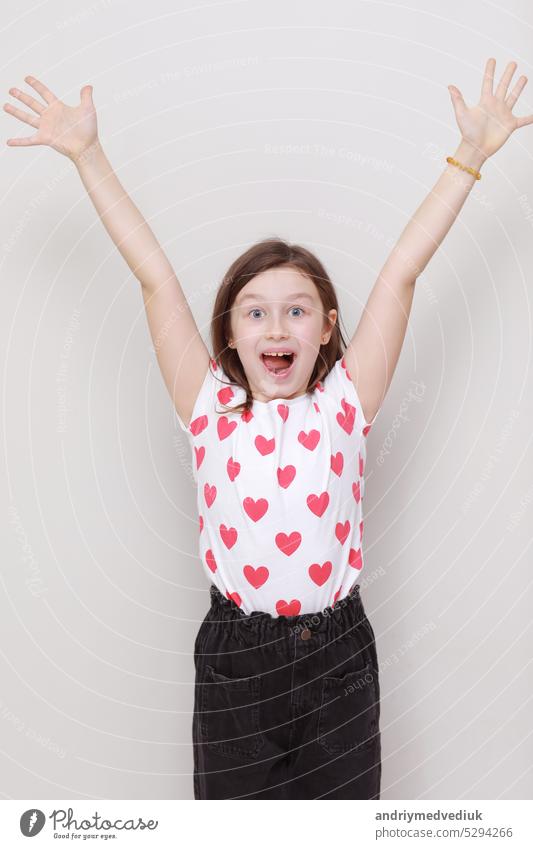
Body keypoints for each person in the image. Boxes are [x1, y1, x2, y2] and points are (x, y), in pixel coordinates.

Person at [5, 58, 532, 799]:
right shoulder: (208, 404)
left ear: (326, 329)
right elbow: (154, 275)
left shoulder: (346, 402)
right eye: (255, 310)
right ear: (229, 331)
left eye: (296, 308)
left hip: (337, 653)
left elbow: (401, 272)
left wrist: (469, 156)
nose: (276, 324)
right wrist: (89, 156)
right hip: (235, 657)